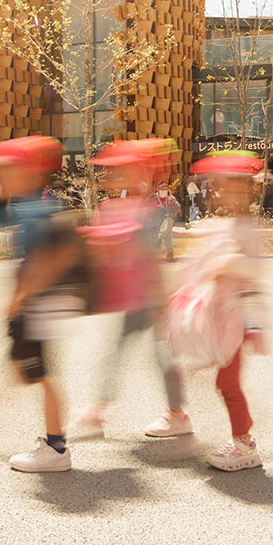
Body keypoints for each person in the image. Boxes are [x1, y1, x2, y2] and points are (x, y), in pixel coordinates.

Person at [70, 140, 190, 442]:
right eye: (110, 172)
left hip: (147, 299)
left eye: (118, 171)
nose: (111, 176)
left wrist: (160, 301)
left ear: (136, 173)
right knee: (134, 354)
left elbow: (149, 258)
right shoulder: (116, 207)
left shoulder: (145, 212)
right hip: (133, 300)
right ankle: (102, 412)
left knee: (148, 356)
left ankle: (171, 414)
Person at [0, 136, 81, 473]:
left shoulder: (36, 210)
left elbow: (51, 260)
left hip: (38, 307)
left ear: (30, 172)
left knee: (43, 375)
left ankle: (56, 448)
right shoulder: (28, 206)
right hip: (36, 307)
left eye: (8, 169)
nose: (0, 177)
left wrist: (20, 298)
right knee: (23, 369)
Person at [170, 151, 272, 470]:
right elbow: (197, 265)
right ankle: (244, 438)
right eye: (223, 186)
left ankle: (244, 444)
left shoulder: (247, 229)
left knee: (227, 384)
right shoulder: (225, 225)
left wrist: (228, 263)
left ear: (246, 190)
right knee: (225, 382)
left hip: (236, 319)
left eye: (232, 186)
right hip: (221, 318)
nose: (225, 191)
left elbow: (255, 271)